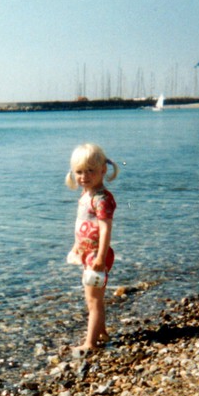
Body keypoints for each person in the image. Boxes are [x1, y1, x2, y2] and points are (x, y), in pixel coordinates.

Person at [65, 143, 118, 353]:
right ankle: (101, 332)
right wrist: (77, 247)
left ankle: (90, 343)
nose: (84, 176)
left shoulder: (101, 199)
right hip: (88, 254)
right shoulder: (86, 195)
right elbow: (82, 224)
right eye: (79, 172)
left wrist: (100, 258)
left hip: (98, 255)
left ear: (103, 170)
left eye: (90, 171)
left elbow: (105, 229)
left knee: (93, 300)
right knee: (94, 298)